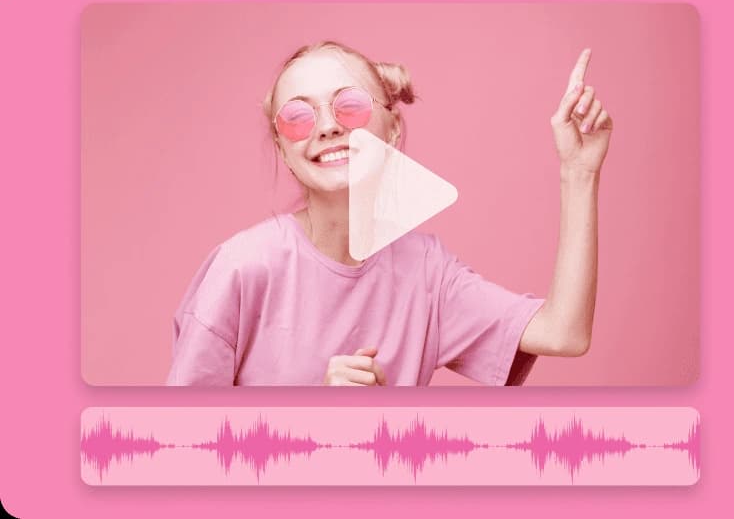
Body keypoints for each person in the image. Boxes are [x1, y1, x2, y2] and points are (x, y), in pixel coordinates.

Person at [166, 40, 613, 386]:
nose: (327, 126)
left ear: (394, 128)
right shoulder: (241, 269)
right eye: (298, 116)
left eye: (351, 105)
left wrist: (579, 171)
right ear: (283, 149)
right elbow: (183, 449)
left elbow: (564, 333)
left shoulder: (426, 273)